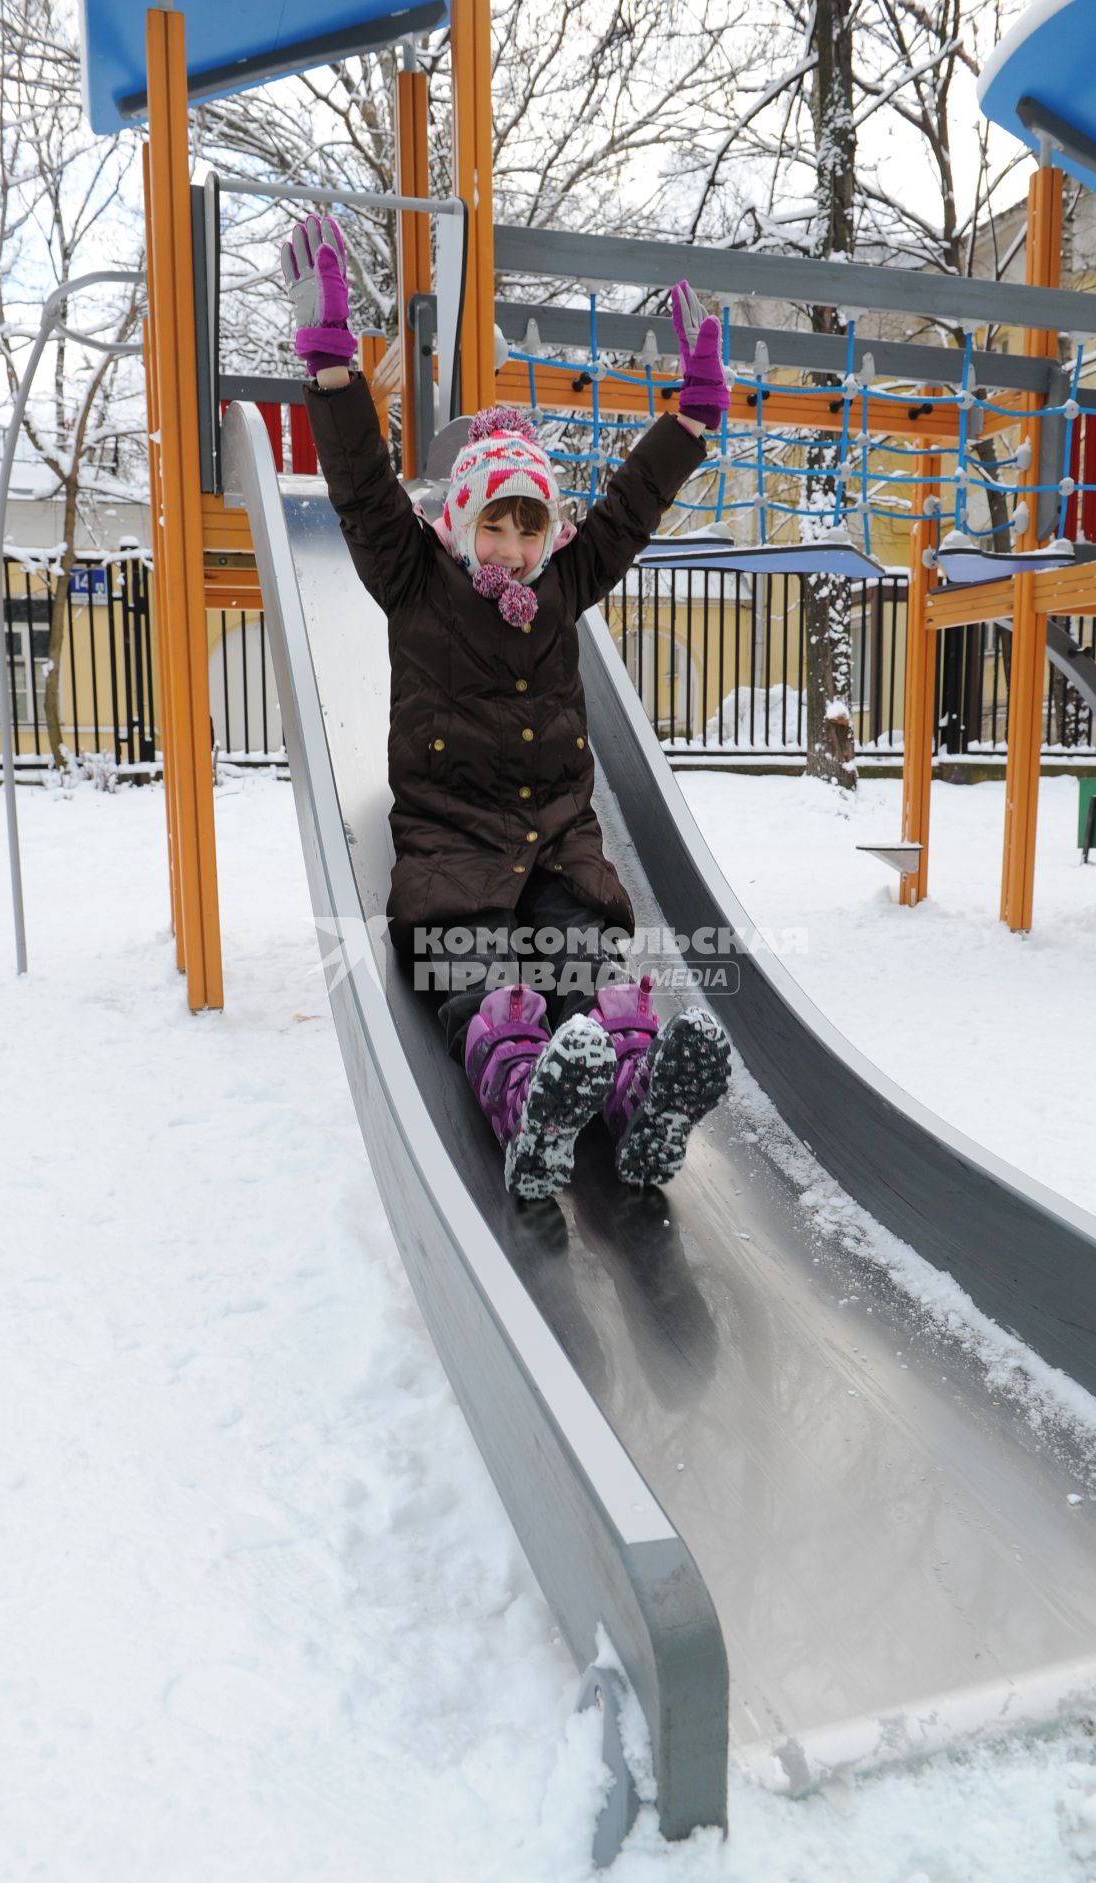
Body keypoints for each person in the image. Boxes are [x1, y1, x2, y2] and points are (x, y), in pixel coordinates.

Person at [283, 214, 733, 1200]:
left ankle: (633, 1094)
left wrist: (690, 417)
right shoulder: (415, 581)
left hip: (560, 848)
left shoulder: (565, 586)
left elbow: (627, 512)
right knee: (479, 976)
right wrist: (332, 370)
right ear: (462, 522)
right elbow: (362, 493)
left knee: (592, 964)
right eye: (497, 523)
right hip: (451, 855)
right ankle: (529, 1107)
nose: (514, 548)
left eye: (530, 527)